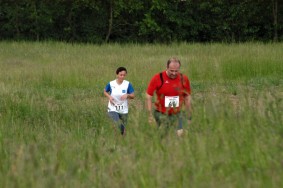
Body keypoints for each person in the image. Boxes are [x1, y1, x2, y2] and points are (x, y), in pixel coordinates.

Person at [146, 57, 192, 136]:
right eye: (171, 71)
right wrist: (150, 115)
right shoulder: (158, 78)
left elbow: (187, 97)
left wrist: (189, 115)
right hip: (161, 113)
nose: (174, 73)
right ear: (166, 67)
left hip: (177, 113)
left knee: (181, 134)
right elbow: (148, 96)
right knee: (163, 134)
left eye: (176, 71)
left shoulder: (183, 79)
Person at [104, 67, 135, 135]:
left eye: (124, 75)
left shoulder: (127, 84)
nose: (122, 77)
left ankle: (123, 141)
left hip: (124, 109)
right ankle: (116, 138)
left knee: (123, 128)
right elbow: (105, 91)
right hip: (113, 108)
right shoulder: (111, 83)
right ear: (117, 74)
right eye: (121, 75)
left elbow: (133, 95)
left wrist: (127, 95)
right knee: (117, 122)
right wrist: (109, 97)